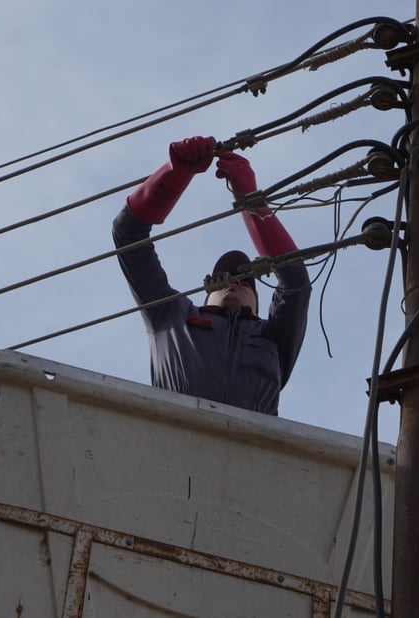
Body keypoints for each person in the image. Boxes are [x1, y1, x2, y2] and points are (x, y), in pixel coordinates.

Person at [111, 135, 311, 416]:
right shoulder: (171, 315)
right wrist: (176, 172)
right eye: (227, 277)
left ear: (257, 302)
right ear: (207, 293)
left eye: (245, 282)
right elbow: (128, 233)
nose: (235, 282)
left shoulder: (274, 338)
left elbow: (296, 284)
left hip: (252, 453)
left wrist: (250, 199)